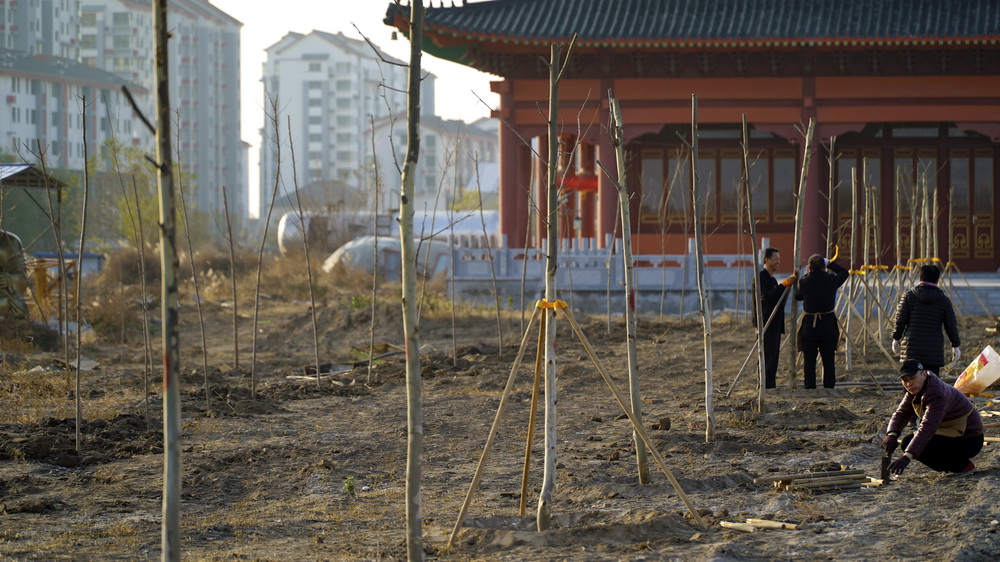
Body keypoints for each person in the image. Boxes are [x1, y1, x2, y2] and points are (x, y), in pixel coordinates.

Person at [883, 358, 983, 475]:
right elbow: (901, 414)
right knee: (907, 442)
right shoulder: (914, 390)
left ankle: (962, 466)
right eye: (905, 380)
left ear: (924, 374)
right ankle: (953, 466)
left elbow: (927, 428)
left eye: (912, 378)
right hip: (948, 433)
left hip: (969, 439)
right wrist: (892, 434)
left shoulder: (937, 394)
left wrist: (907, 457)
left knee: (914, 444)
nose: (909, 384)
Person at [891, 264, 961, 375]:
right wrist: (955, 345)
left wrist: (896, 338)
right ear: (937, 280)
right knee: (931, 385)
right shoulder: (944, 300)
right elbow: (951, 326)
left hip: (911, 350)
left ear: (919, 279)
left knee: (911, 383)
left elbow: (900, 320)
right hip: (933, 351)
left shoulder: (909, 296)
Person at [794, 253, 849, 389]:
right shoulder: (831, 279)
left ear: (810, 268)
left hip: (810, 326)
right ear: (824, 267)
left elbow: (798, 296)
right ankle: (829, 387)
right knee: (828, 359)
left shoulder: (804, 282)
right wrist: (830, 263)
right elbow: (844, 272)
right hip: (827, 324)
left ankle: (810, 387)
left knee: (809, 360)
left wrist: (803, 275)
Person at [757, 248, 796, 389]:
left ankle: (771, 385)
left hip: (775, 324)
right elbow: (767, 297)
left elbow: (778, 298)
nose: (779, 262)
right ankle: (764, 386)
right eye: (776, 259)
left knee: (773, 357)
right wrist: (784, 284)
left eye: (779, 259)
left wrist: (787, 287)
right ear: (766, 260)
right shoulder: (760, 277)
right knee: (766, 356)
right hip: (766, 323)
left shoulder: (772, 279)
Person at [0, 229, 29, 319]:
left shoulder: (10, 241)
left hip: (2, 297)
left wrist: (9, 279)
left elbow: (22, 279)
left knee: (15, 305)